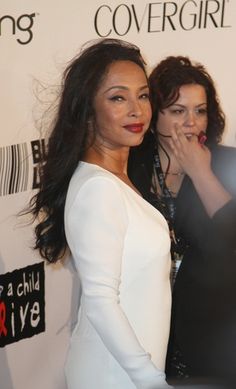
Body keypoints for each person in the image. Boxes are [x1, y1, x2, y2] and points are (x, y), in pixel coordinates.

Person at [28, 38, 172, 389]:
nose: (138, 111)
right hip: (115, 376)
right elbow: (101, 302)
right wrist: (150, 380)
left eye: (142, 95)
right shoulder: (99, 190)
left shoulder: (115, 179)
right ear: (87, 110)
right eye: (118, 98)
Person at [128, 56, 236, 387]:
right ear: (153, 112)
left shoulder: (228, 164)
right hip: (144, 328)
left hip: (213, 338)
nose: (191, 122)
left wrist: (201, 172)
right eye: (177, 111)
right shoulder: (131, 167)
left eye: (200, 111)